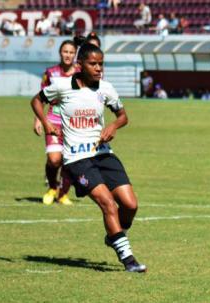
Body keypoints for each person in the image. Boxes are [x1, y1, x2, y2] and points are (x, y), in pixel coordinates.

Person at [30, 43, 146, 273]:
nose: (98, 68)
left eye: (101, 63)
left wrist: (113, 125)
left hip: (103, 154)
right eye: (93, 63)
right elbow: (36, 100)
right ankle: (128, 259)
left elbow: (123, 116)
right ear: (80, 64)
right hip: (76, 159)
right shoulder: (62, 86)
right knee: (107, 204)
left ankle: (115, 235)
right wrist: (45, 123)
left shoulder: (106, 89)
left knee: (131, 205)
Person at [35, 40, 78, 206]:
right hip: (53, 121)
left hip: (75, 124)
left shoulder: (81, 73)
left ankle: (63, 194)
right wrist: (38, 119)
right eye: (65, 51)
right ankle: (52, 187)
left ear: (75, 54)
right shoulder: (51, 72)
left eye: (71, 52)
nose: (68, 55)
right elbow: (41, 98)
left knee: (69, 160)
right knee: (54, 159)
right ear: (60, 53)